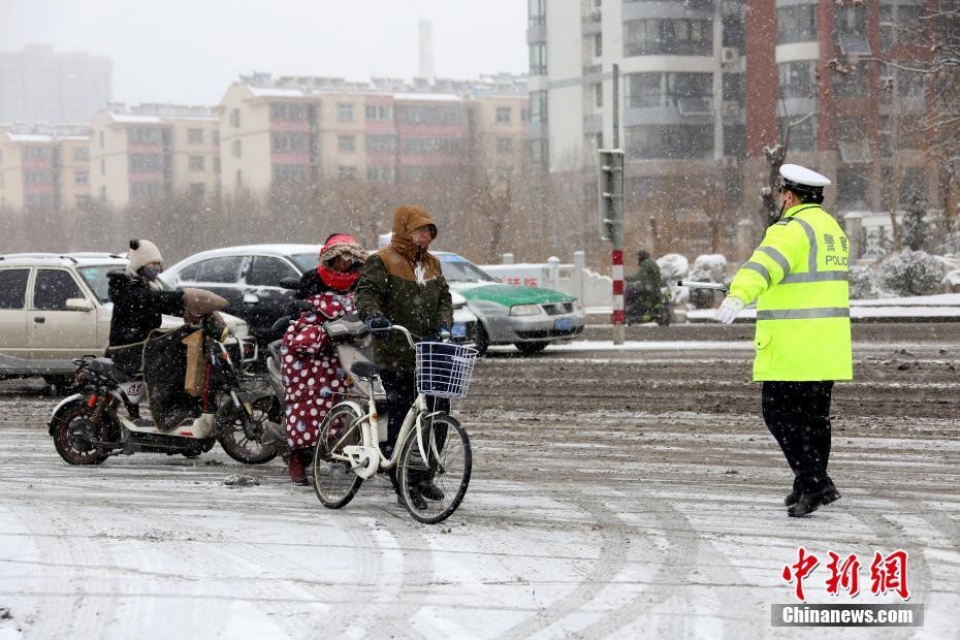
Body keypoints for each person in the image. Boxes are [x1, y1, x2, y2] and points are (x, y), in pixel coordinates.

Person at [714, 164, 852, 517]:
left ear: (789, 196)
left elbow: (764, 265)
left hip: (795, 345)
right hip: (828, 344)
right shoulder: (831, 229)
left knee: (778, 414)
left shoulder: (790, 228)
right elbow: (797, 277)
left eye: (781, 195)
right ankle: (805, 485)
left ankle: (816, 482)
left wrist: (738, 294)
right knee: (815, 419)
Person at [355, 204, 454, 509]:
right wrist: (374, 316)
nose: (426, 235)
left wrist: (443, 323)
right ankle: (401, 480)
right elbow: (366, 293)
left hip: (429, 352)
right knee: (401, 415)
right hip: (395, 351)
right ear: (404, 231)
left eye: (429, 230)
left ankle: (423, 475)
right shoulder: (382, 261)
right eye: (420, 230)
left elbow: (444, 299)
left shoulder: (433, 265)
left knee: (437, 412)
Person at [279, 233, 367, 485]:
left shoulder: (361, 281)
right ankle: (298, 457)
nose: (344, 263)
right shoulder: (311, 279)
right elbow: (299, 313)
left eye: (349, 258)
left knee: (351, 401)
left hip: (347, 350)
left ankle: (341, 453)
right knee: (306, 402)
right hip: (313, 356)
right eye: (340, 257)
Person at [624, 249, 665, 325]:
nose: (637, 260)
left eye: (638, 257)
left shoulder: (645, 264)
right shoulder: (651, 262)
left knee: (636, 296)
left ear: (642, 257)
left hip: (650, 288)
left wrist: (628, 278)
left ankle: (635, 314)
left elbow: (639, 276)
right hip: (655, 287)